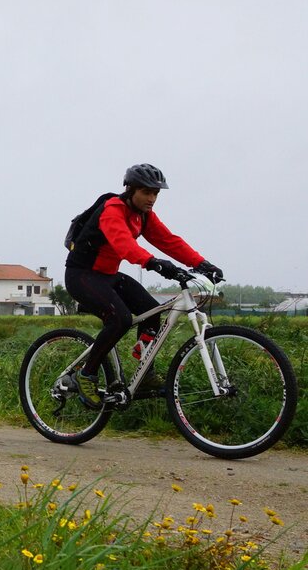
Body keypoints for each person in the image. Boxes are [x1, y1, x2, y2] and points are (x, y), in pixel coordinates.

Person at [65, 163, 223, 408]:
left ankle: (145, 373)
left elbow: (168, 241)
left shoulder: (143, 215)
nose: (152, 198)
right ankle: (86, 375)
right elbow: (124, 245)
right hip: (82, 276)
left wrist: (202, 263)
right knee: (120, 319)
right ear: (130, 190)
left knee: (152, 312)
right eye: (146, 192)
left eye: (156, 193)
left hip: (108, 275)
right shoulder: (112, 210)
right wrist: (154, 263)